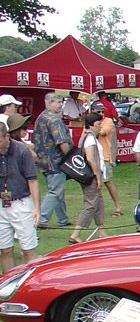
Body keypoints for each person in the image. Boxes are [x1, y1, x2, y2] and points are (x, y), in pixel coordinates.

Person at [0, 120, 41, 273]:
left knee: (28, 249)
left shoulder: (22, 151)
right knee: (4, 250)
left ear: (6, 137)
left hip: (21, 202)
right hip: (2, 203)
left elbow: (32, 180)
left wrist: (36, 207)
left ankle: (32, 286)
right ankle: (7, 286)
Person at [32, 92, 72, 229]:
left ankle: (63, 219)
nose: (61, 105)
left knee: (57, 189)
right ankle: (41, 219)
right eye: (58, 102)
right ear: (50, 103)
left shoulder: (41, 117)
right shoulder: (54, 120)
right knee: (55, 191)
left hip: (42, 160)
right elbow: (62, 142)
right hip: (55, 160)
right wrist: (71, 157)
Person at [67, 113, 106, 243]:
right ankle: (75, 234)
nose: (100, 126)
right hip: (91, 176)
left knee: (98, 202)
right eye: (98, 124)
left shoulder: (87, 136)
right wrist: (97, 175)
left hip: (90, 175)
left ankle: (101, 230)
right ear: (92, 125)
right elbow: (90, 158)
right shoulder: (90, 139)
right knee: (91, 203)